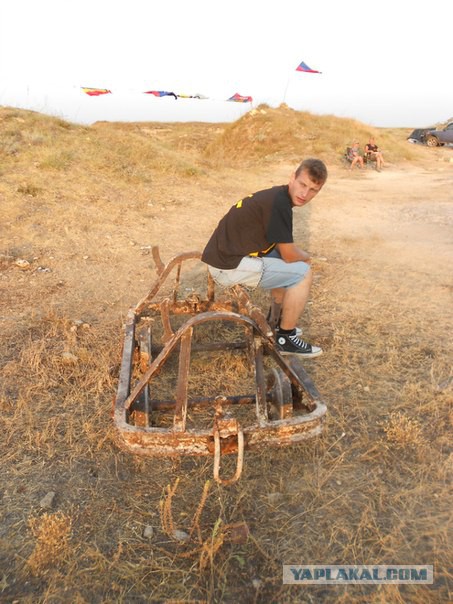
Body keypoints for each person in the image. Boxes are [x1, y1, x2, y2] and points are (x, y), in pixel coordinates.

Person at [201, 158, 328, 358]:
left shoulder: (277, 196)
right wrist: (307, 257)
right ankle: (286, 339)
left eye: (313, 190)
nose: (305, 194)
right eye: (303, 184)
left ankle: (276, 322)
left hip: (224, 258)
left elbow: (282, 253)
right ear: (292, 178)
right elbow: (289, 253)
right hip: (227, 266)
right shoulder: (279, 203)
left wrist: (295, 257)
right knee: (303, 272)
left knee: (283, 260)